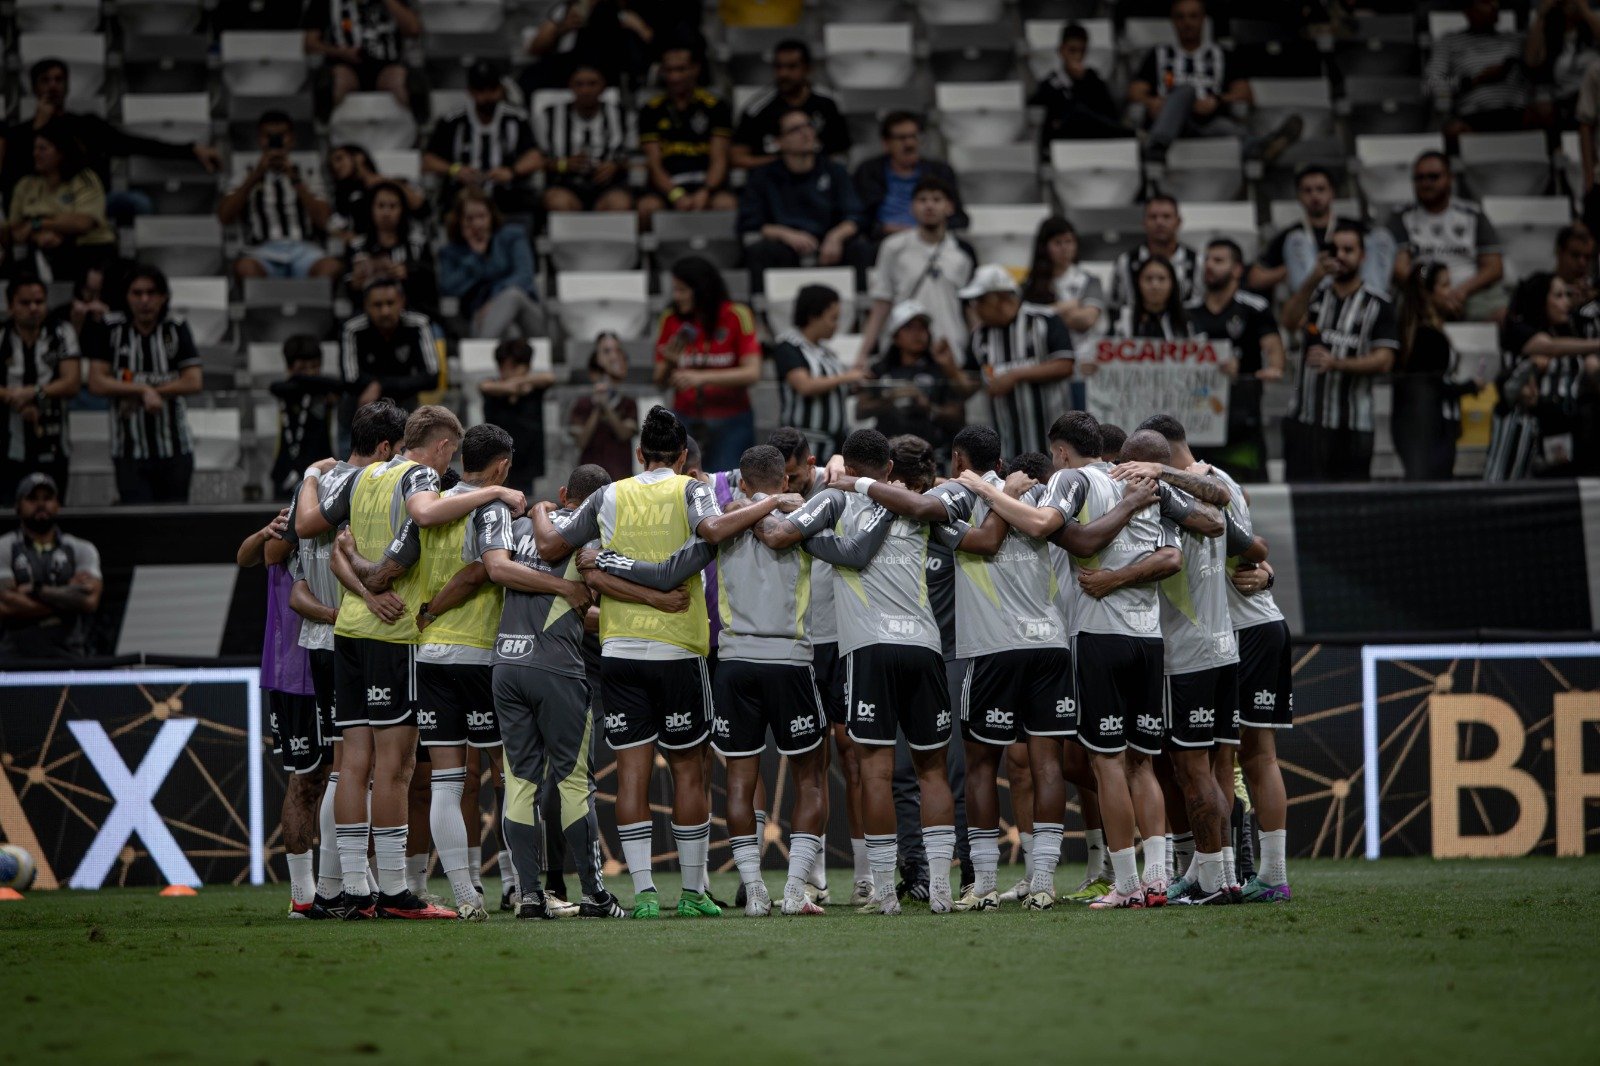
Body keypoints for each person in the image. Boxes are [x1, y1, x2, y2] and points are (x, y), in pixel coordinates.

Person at [588, 443, 896, 915]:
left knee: (738, 780)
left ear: (743, 482)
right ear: (787, 480)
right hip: (791, 661)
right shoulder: (803, 517)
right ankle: (796, 891)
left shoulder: (724, 522)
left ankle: (753, 890)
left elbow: (671, 570)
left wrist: (609, 563)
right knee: (811, 778)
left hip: (733, 664)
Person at [529, 406, 803, 918]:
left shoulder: (609, 494)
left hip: (620, 651)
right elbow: (715, 529)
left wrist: (541, 511)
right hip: (679, 648)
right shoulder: (689, 488)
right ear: (681, 457)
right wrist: (772, 503)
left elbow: (548, 546)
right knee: (689, 773)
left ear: (638, 454)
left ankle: (646, 894)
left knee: (631, 776)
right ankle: (695, 891)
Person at [958, 411, 1228, 909]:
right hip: (1149, 639)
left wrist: (989, 490)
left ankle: (1125, 883)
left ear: (1060, 451)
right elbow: (1214, 522)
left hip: (1098, 634)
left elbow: (1048, 526)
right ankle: (1158, 879)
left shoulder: (1073, 479)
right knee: (1143, 765)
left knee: (1108, 764)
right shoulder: (1144, 480)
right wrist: (1162, 480)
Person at [295, 404, 527, 920]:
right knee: (395, 767)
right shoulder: (417, 474)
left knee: (350, 765)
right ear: (443, 448)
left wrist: (363, 590)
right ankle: (396, 890)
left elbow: (322, 535)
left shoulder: (360, 478)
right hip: (395, 632)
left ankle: (346, 888)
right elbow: (423, 515)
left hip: (350, 628)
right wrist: (494, 491)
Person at [768, 428, 958, 914]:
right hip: (924, 645)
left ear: (845, 468)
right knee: (931, 770)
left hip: (868, 649)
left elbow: (786, 534)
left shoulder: (835, 501)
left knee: (873, 770)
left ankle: (884, 893)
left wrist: (806, 528)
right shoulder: (918, 503)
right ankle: (940, 891)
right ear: (889, 469)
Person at [476, 462, 630, 917]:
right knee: (573, 782)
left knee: (520, 783)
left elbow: (493, 570)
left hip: (505, 663)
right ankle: (595, 895)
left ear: (565, 493)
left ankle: (527, 895)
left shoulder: (522, 524)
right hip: (557, 668)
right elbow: (594, 598)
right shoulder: (595, 533)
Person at [278, 399, 409, 916]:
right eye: (397, 451)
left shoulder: (314, 485)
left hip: (320, 643)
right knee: (356, 767)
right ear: (383, 448)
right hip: (359, 635)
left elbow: (288, 548)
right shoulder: (372, 485)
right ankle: (339, 882)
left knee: (345, 766)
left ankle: (337, 883)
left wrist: (310, 473)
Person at [1119, 421, 1237, 906]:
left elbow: (1180, 549)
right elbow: (1220, 514)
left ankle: (1212, 882)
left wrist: (1111, 579)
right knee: (1209, 769)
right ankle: (1222, 874)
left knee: (1194, 773)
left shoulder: (1161, 502)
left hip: (1185, 656)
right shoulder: (1204, 492)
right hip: (1223, 649)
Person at [236, 503, 327, 917]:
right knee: (307, 778)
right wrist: (271, 530)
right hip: (296, 670)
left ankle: (337, 887)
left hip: (327, 663)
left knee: (342, 776)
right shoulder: (296, 520)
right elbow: (255, 555)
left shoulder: (335, 512)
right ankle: (303, 894)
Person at [0, 58, 221, 215]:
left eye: (59, 80)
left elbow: (136, 144)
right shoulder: (20, 134)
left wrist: (190, 149)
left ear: (67, 86)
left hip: (91, 201)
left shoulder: (87, 125)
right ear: (33, 88)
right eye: (45, 80)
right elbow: (15, 176)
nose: (53, 86)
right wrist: (39, 127)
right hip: (43, 205)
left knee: (137, 203)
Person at [1281, 222, 1399, 482]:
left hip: (1353, 426)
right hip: (1305, 421)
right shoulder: (1314, 295)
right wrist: (1313, 276)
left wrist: (1337, 363)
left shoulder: (1378, 304)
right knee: (1302, 505)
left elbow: (1384, 360)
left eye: (1349, 250)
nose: (1341, 256)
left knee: (1346, 509)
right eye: (1335, 249)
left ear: (1363, 256)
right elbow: (1289, 321)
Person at [1127, 0, 1299, 164]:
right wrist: (1152, 102)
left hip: (1208, 123)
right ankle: (1157, 146)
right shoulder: (1158, 54)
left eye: (1193, 16)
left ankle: (1261, 147)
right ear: (1173, 21)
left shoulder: (1222, 55)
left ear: (1203, 19)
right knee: (1186, 90)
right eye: (1181, 17)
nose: (1187, 23)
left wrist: (1217, 100)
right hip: (1170, 120)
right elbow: (1135, 92)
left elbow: (1245, 94)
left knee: (1225, 127)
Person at [86, 265, 204, 504]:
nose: (145, 300)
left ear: (163, 297)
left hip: (175, 449)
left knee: (174, 526)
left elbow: (194, 380)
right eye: (137, 293)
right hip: (129, 452)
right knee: (137, 527)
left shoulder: (176, 328)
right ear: (126, 296)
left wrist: (152, 392)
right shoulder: (111, 329)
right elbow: (96, 382)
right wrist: (143, 390)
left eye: (151, 293)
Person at [1187, 239, 1286, 482]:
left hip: (1242, 414)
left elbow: (1273, 347)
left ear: (1237, 270)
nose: (1209, 266)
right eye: (1207, 260)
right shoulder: (1188, 310)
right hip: (1198, 415)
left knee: (1247, 484)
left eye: (1218, 260)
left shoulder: (1254, 307)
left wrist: (1274, 367)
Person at [737, 108, 867, 292]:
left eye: (808, 126)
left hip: (828, 243)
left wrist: (835, 236)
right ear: (778, 141)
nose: (806, 133)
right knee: (759, 251)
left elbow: (855, 216)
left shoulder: (835, 171)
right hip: (785, 246)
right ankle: (763, 317)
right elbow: (751, 222)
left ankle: (861, 313)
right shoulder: (763, 177)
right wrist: (786, 234)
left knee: (859, 248)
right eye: (795, 129)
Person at [652, 256, 762, 472]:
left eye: (682, 290)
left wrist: (700, 378)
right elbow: (659, 381)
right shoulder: (670, 319)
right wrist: (669, 364)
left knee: (725, 491)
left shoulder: (737, 315)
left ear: (701, 289)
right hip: (684, 421)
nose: (677, 296)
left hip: (732, 422)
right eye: (674, 290)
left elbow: (753, 373)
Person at [960, 264, 1076, 458]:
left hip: (1051, 443)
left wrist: (1014, 376)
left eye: (980, 300)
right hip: (1007, 445)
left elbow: (1065, 364)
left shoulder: (1044, 320)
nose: (975, 308)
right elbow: (969, 382)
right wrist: (948, 366)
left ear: (1001, 298)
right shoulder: (979, 336)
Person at [857, 177, 977, 362]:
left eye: (937, 200)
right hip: (904, 349)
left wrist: (979, 350)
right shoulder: (893, 247)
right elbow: (882, 303)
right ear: (912, 207)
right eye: (922, 200)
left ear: (950, 207)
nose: (929, 206)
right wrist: (862, 355)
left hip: (952, 343)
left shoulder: (964, 252)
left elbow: (972, 309)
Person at [218, 111, 343, 281]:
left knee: (330, 267)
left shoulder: (309, 173)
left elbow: (323, 220)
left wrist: (296, 181)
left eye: (281, 136)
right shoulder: (244, 173)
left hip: (304, 249)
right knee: (245, 268)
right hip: (261, 251)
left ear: (292, 139)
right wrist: (254, 178)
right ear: (260, 139)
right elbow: (225, 216)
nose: (274, 141)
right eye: (268, 136)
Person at [1498, 271, 1600, 476]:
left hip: (1569, 425)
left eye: (1567, 296)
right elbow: (1548, 347)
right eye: (1558, 296)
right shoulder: (1518, 329)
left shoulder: (1571, 331)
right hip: (1529, 426)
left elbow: (1591, 367)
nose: (1566, 303)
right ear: (1540, 299)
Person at [1387, 152, 1505, 321]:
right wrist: (1431, 293)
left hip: (1470, 292)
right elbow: (1400, 269)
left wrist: (1461, 291)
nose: (1426, 183)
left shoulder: (1472, 213)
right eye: (1419, 178)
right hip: (1423, 295)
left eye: (1433, 177)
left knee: (1503, 317)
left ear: (1450, 178)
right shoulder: (1401, 216)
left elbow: (1494, 267)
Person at [1394, 262, 1483, 480]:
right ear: (1427, 293)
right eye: (1444, 285)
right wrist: (1470, 386)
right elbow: (1431, 387)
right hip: (1426, 428)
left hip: (1426, 425)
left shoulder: (1419, 332)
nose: (1451, 291)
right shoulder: (1426, 337)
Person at [1249, 164, 1395, 297]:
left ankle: (1372, 303)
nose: (1314, 195)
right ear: (1299, 196)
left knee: (1382, 236)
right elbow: (1255, 278)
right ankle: (1318, 305)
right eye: (1307, 190)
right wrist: (1290, 269)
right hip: (1312, 299)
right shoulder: (1290, 234)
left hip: (1356, 292)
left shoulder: (1353, 227)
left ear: (1332, 192)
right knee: (1297, 241)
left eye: (1320, 189)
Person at [0, 473, 101, 662]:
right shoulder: (4, 547)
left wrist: (35, 590)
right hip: (14, 662)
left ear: (57, 505)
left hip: (69, 659)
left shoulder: (80, 548)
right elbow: (5, 605)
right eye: (32, 499)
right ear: (17, 506)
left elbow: (89, 601)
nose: (41, 504)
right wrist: (66, 598)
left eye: (47, 498)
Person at [636, 45, 737, 227]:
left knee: (726, 204)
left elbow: (720, 159)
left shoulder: (716, 107)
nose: (675, 77)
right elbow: (654, 164)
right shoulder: (650, 110)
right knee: (647, 207)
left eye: (681, 69)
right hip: (667, 188)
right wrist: (676, 195)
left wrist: (705, 191)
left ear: (695, 69)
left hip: (707, 185)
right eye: (669, 70)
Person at [423, 61, 542, 215]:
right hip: (462, 197)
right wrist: (455, 170)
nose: (487, 96)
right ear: (470, 91)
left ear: (501, 89)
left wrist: (512, 172)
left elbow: (535, 157)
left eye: (492, 89)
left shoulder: (517, 119)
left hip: (508, 197)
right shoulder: (452, 121)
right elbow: (428, 160)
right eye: (480, 90)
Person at [0, 274, 80, 503]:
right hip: (7, 447)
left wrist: (33, 393)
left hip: (53, 445)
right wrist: (12, 397)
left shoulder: (61, 334)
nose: (33, 308)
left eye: (39, 302)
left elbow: (72, 382)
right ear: (10, 306)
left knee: (49, 514)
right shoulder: (2, 336)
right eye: (25, 303)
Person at [7, 120, 116, 283]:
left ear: (61, 152)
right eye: (35, 148)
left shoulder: (85, 179)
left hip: (88, 251)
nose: (36, 154)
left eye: (43, 148)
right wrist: (38, 236)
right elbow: (15, 229)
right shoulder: (26, 184)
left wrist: (36, 223)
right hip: (40, 249)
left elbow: (83, 223)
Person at [858, 302, 968, 459]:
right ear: (895, 336)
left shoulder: (939, 369)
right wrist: (892, 398)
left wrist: (929, 408)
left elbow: (958, 416)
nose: (918, 334)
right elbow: (860, 410)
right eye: (909, 328)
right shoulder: (880, 370)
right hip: (887, 454)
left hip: (929, 454)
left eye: (922, 328)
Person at [771, 285, 864, 460]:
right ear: (813, 316)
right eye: (833, 318)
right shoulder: (789, 346)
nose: (836, 325)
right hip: (804, 446)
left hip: (835, 444)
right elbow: (804, 386)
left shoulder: (826, 352)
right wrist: (846, 377)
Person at [436, 188, 542, 341]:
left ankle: (480, 349)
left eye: (482, 216)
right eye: (470, 219)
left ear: (492, 216)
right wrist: (474, 257)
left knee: (513, 295)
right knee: (509, 331)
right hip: (481, 318)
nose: (477, 224)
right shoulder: (451, 252)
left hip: (527, 316)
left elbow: (524, 276)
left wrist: (494, 301)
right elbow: (449, 288)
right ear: (460, 221)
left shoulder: (512, 236)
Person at [731, 39, 851, 170]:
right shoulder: (756, 109)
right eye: (779, 67)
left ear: (807, 69)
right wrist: (786, 163)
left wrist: (812, 168)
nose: (784, 73)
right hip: (772, 182)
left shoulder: (827, 104)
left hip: (819, 183)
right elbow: (738, 158)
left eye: (792, 67)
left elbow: (841, 153)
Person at [852, 113, 968, 245]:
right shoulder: (868, 171)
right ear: (886, 143)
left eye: (914, 136)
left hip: (932, 238)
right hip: (883, 240)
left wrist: (926, 229)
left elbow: (959, 218)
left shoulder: (940, 171)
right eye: (901, 138)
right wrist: (882, 229)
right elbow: (860, 216)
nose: (909, 143)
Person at [1425, 0, 1532, 140]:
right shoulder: (1449, 41)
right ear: (1468, 11)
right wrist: (1476, 80)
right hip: (1473, 115)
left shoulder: (1516, 39)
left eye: (1495, 2)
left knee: (1545, 111)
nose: (1494, 6)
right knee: (1453, 130)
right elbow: (1431, 83)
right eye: (1485, 2)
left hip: (1517, 112)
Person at [337, 280, 438, 428]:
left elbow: (431, 377)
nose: (385, 311)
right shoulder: (352, 329)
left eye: (390, 303)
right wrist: (390, 384)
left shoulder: (419, 324)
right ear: (366, 306)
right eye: (377, 305)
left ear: (402, 302)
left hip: (403, 404)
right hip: (362, 406)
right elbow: (350, 378)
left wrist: (380, 385)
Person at [535, 63, 634, 214]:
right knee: (558, 203)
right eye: (579, 84)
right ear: (570, 87)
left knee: (620, 204)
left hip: (609, 187)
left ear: (603, 87)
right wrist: (563, 164)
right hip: (565, 185)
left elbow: (637, 159)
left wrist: (616, 165)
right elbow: (537, 160)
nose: (585, 90)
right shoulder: (549, 116)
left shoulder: (622, 115)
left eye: (592, 84)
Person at [302, 0, 422, 112]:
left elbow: (413, 29)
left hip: (387, 66)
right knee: (334, 85)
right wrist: (340, 52)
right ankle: (325, 129)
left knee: (403, 83)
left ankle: (420, 129)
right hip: (344, 65)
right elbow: (310, 44)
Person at [1029, 22, 1128, 157]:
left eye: (1082, 51)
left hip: (1096, 143)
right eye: (1072, 50)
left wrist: (1082, 83)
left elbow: (1110, 115)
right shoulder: (1048, 85)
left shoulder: (1094, 81)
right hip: (1064, 147)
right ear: (1061, 50)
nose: (1077, 56)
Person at [345, 180, 438, 318]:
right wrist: (354, 284)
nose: (386, 212)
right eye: (381, 206)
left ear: (402, 210)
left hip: (413, 313)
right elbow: (346, 288)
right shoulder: (356, 246)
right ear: (371, 209)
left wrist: (408, 273)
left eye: (393, 206)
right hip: (367, 319)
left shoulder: (418, 245)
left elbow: (431, 286)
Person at [268, 335, 342, 500]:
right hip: (286, 468)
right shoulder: (286, 391)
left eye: (314, 367)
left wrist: (304, 378)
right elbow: (275, 388)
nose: (309, 373)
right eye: (303, 368)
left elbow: (340, 386)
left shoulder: (326, 392)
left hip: (323, 468)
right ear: (289, 368)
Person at [480, 338, 555, 497]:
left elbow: (549, 378)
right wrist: (512, 386)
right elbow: (485, 386)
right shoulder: (493, 386)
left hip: (526, 459)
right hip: (497, 458)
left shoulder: (533, 386)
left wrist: (520, 381)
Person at [1021, 217, 1107, 350]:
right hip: (1046, 356)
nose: (1065, 248)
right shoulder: (1030, 284)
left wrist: (1042, 313)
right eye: (1057, 243)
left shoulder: (1090, 281)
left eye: (1069, 241)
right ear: (1044, 247)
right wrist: (1069, 306)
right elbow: (1026, 324)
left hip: (1082, 354)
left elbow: (1087, 320)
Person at [569, 332, 639, 480]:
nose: (613, 358)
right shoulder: (583, 404)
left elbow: (624, 434)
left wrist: (606, 407)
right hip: (589, 482)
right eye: (607, 351)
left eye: (617, 351)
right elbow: (581, 442)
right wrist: (597, 408)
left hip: (620, 479)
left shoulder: (628, 404)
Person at [1110, 195, 1200, 310]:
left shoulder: (1198, 261)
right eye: (1153, 217)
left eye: (1166, 216)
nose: (1159, 222)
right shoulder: (1125, 262)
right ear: (1144, 223)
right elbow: (1115, 306)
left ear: (1178, 222)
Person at [327, 144, 426, 238]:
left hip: (401, 244)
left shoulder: (396, 182)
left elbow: (420, 207)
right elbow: (334, 225)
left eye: (339, 159)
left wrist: (384, 182)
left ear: (359, 157)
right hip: (366, 249)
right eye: (332, 164)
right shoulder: (344, 196)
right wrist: (352, 240)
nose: (336, 166)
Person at [1527, 0, 1600, 128]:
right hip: (1564, 101)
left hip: (1594, 96)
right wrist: (1541, 15)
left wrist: (1585, 11)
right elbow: (1531, 60)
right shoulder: (1550, 31)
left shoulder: (1594, 22)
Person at [1109, 257, 1191, 339]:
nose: (1155, 285)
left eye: (1161, 279)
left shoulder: (1188, 321)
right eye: (1148, 279)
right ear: (1138, 283)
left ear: (1173, 283)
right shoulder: (1122, 319)